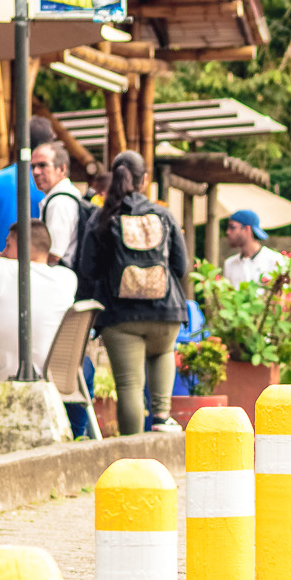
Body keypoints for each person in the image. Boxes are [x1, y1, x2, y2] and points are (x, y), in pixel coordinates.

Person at [77, 150, 190, 436]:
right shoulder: (164, 215)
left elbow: (87, 269)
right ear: (145, 180)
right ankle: (162, 418)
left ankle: (132, 451)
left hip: (120, 315)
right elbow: (181, 265)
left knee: (129, 385)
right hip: (166, 313)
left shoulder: (103, 219)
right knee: (162, 353)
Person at [0, 220, 78, 384]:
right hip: (59, 379)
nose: (3, 252)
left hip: (7, 379)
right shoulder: (68, 278)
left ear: (23, 247)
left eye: (8, 245)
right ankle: (75, 408)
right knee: (84, 371)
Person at [0, 116, 55, 254]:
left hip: (5, 263)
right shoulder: (53, 183)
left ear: (16, 141)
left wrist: (4, 236)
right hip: (42, 265)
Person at [32, 142, 88, 268]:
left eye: (42, 165)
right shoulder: (62, 197)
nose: (36, 172)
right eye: (33, 166)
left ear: (62, 169)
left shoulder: (60, 203)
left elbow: (54, 254)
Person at [221, 209, 288, 289]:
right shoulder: (229, 264)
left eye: (232, 227)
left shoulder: (274, 260)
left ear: (247, 229)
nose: (228, 232)